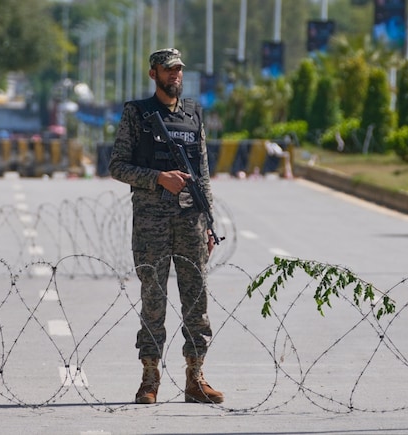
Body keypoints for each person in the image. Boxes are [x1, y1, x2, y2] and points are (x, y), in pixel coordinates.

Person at [108, 48, 224, 405]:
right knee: (154, 300)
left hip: (190, 221)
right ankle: (149, 377)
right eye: (168, 70)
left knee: (196, 300)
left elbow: (202, 173)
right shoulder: (138, 115)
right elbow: (117, 166)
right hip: (151, 223)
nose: (174, 76)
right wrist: (158, 178)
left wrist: (208, 223)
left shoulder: (192, 115)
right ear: (153, 74)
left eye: (178, 71)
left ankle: (195, 376)